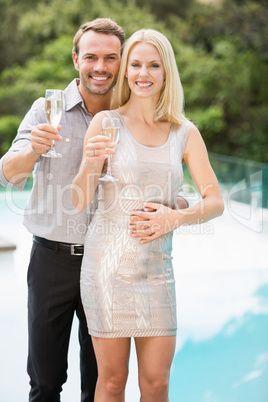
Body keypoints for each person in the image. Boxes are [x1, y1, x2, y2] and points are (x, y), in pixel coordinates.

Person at [0, 19, 187, 401]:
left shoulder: (130, 115)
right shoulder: (45, 110)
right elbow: (7, 173)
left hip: (112, 265)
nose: (100, 66)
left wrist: (174, 211)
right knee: (46, 379)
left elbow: (173, 188)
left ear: (122, 62)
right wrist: (34, 149)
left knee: (101, 381)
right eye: (91, 57)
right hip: (53, 260)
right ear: (75, 59)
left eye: (110, 58)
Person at [72, 28, 224, 401]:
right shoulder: (106, 123)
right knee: (110, 383)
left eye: (153, 65)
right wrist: (91, 161)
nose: (144, 73)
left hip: (157, 272)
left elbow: (215, 200)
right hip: (106, 272)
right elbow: (78, 200)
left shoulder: (184, 132)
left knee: (157, 385)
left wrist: (175, 218)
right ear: (125, 71)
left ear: (166, 72)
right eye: (136, 64)